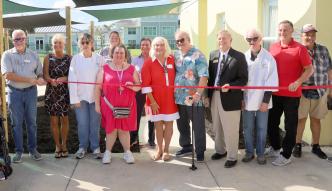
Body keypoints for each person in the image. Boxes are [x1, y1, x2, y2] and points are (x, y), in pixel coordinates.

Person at [266, 20, 313, 166]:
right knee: (271, 123)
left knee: (290, 126)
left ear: (292, 31)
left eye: (285, 29)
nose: (282, 32)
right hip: (275, 93)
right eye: (280, 29)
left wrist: (298, 82)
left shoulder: (300, 49)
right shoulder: (273, 47)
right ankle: (275, 147)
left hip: (292, 95)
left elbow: (309, 69)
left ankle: (286, 155)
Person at [1, 29, 46, 163]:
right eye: (16, 39)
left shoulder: (34, 55)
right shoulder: (7, 55)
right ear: (12, 41)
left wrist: (41, 79)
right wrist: (29, 80)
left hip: (31, 93)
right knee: (16, 124)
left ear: (26, 39)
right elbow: (7, 75)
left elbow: (39, 73)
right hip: (14, 93)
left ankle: (33, 150)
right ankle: (19, 151)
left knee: (32, 123)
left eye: (22, 38)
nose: (19, 41)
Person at [207, 30, 248, 168]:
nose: (221, 41)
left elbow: (243, 79)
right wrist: (207, 96)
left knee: (231, 129)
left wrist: (230, 86)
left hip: (231, 97)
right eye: (219, 38)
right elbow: (210, 78)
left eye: (224, 38)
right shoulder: (213, 55)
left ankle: (232, 156)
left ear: (230, 40)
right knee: (217, 127)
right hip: (215, 96)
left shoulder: (239, 56)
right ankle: (220, 150)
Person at [95, 44, 141, 164]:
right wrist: (97, 105)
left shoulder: (131, 68)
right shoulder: (104, 68)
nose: (119, 55)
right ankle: (108, 152)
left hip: (127, 106)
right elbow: (98, 88)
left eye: (121, 53)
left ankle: (127, 152)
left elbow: (138, 86)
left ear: (125, 55)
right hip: (109, 106)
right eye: (116, 53)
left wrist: (132, 87)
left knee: (124, 130)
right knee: (111, 130)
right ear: (112, 54)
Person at [292, 24, 332, 159]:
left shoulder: (323, 50)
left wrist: (330, 89)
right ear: (301, 36)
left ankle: (316, 146)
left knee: (316, 120)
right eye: (307, 34)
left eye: (313, 34)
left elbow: (329, 70)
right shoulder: (297, 50)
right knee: (300, 119)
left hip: (320, 91)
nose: (310, 37)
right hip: (302, 91)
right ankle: (297, 145)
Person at [242, 29, 279, 165]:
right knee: (247, 128)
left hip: (263, 100)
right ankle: (249, 152)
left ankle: (261, 153)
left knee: (262, 128)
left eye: (255, 38)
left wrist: (265, 101)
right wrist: (241, 99)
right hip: (247, 100)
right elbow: (240, 80)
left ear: (260, 39)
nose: (252, 42)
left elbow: (272, 80)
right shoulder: (243, 57)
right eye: (249, 39)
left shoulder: (269, 58)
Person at [141, 37, 179, 161]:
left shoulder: (171, 59)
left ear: (166, 46)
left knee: (169, 124)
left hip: (170, 99)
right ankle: (159, 149)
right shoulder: (148, 62)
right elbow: (145, 85)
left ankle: (166, 150)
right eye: (156, 45)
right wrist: (152, 102)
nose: (159, 47)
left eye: (161, 45)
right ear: (153, 47)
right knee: (158, 126)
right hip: (155, 100)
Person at [173, 30, 208, 162]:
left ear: (188, 39)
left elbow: (204, 76)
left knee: (198, 125)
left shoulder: (197, 55)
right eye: (177, 41)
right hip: (179, 97)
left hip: (193, 97)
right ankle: (186, 146)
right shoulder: (176, 55)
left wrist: (198, 93)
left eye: (182, 40)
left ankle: (200, 151)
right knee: (182, 124)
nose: (180, 43)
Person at [68, 33, 103, 159]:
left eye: (87, 42)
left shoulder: (99, 59)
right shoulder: (75, 59)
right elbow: (72, 79)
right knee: (82, 123)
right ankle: (82, 147)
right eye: (82, 42)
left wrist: (100, 98)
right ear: (79, 44)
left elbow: (103, 78)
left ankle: (95, 147)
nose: (85, 45)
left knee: (95, 123)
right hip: (80, 98)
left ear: (92, 44)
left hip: (95, 98)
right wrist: (74, 99)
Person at [43, 34, 72, 158]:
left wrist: (65, 78)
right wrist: (51, 80)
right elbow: (45, 75)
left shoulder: (69, 58)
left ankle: (64, 144)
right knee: (54, 120)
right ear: (52, 44)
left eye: (60, 42)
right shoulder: (48, 57)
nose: (57, 45)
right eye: (55, 42)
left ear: (64, 44)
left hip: (65, 92)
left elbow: (73, 75)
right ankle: (57, 146)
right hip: (52, 93)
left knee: (64, 119)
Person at [130, 37, 154, 147]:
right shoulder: (135, 60)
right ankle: (134, 139)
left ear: (151, 46)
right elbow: (131, 74)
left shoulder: (154, 59)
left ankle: (151, 139)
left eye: (147, 45)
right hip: (138, 90)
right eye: (142, 44)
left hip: (151, 90)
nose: (144, 47)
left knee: (151, 114)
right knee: (137, 114)